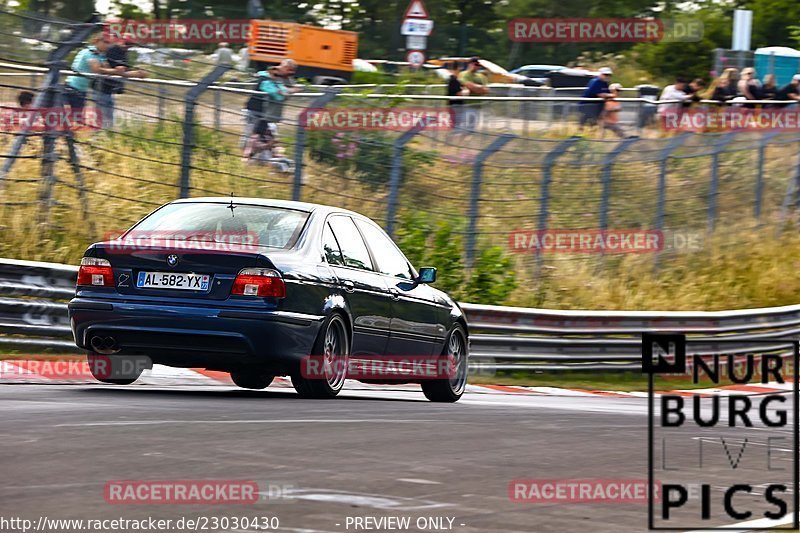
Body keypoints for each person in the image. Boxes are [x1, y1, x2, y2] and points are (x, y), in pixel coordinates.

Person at [93, 35, 147, 129]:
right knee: (105, 116)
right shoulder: (112, 50)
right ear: (120, 41)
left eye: (131, 45)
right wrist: (135, 74)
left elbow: (123, 71)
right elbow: (114, 71)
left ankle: (104, 135)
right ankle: (102, 135)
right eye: (127, 44)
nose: (128, 47)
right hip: (101, 87)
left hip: (109, 89)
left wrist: (136, 73)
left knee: (107, 116)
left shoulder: (124, 53)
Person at [64, 35, 124, 114]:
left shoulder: (100, 55)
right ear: (96, 41)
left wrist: (118, 71)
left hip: (81, 89)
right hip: (73, 87)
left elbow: (107, 69)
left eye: (110, 44)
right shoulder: (90, 52)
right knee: (75, 117)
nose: (107, 46)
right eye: (105, 42)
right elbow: (96, 69)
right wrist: (116, 71)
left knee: (76, 116)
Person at [457, 57, 489, 131]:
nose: (477, 66)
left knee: (471, 130)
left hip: (477, 106)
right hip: (466, 106)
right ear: (470, 64)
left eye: (478, 65)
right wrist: (479, 88)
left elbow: (486, 90)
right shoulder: (463, 74)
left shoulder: (481, 76)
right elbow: (467, 85)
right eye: (475, 64)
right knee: (463, 129)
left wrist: (474, 88)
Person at [445, 62, 468, 131]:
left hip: (458, 105)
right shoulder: (453, 80)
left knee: (458, 123)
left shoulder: (458, 80)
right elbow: (458, 93)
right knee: (455, 124)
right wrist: (465, 92)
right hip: (454, 105)